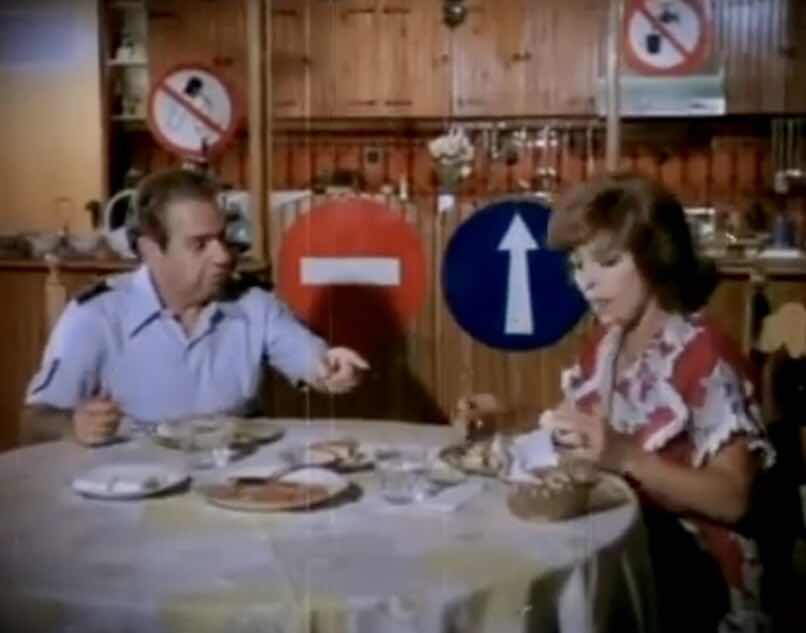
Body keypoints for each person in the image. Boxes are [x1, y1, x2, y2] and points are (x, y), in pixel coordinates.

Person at [455, 172, 774, 633]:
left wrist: (627, 457)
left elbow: (734, 498)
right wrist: (507, 415)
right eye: (578, 265)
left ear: (654, 256)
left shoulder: (704, 354)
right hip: (629, 551)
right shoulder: (609, 342)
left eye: (606, 262)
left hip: (698, 584)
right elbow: (580, 429)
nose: (586, 282)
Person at [24, 168, 368, 446]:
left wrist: (330, 367)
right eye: (200, 244)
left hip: (236, 481)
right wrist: (74, 426)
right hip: (138, 485)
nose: (223, 256)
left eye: (222, 239)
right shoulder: (96, 315)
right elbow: (35, 421)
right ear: (150, 250)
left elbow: (308, 357)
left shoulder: (252, 304)